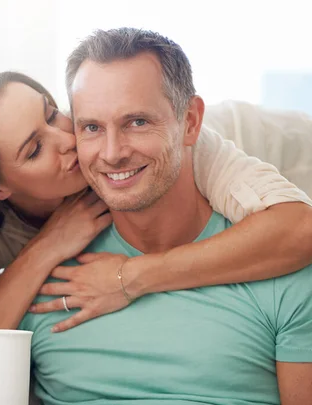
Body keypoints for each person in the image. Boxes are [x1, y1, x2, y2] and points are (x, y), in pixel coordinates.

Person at [0, 70, 312, 404]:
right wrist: (45, 249)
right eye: (34, 149)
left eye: (51, 113)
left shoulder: (176, 143)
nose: (69, 139)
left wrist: (130, 277)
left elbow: (299, 231)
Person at [19, 27, 312, 405]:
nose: (112, 153)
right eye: (92, 127)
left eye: (137, 122)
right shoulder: (40, 279)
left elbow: (301, 229)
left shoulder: (282, 266)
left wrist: (132, 277)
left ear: (190, 122)